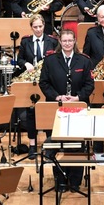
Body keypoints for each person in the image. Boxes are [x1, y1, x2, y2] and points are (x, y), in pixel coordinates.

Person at [39, 28, 93, 190]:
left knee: (77, 145)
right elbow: (44, 83)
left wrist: (77, 97)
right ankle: (60, 180)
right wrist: (57, 97)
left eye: (70, 40)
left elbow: (89, 85)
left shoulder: (84, 60)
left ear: (75, 41)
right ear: (60, 42)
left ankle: (75, 181)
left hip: (78, 107)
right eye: (64, 41)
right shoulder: (50, 60)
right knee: (57, 144)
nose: (67, 43)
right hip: (56, 108)